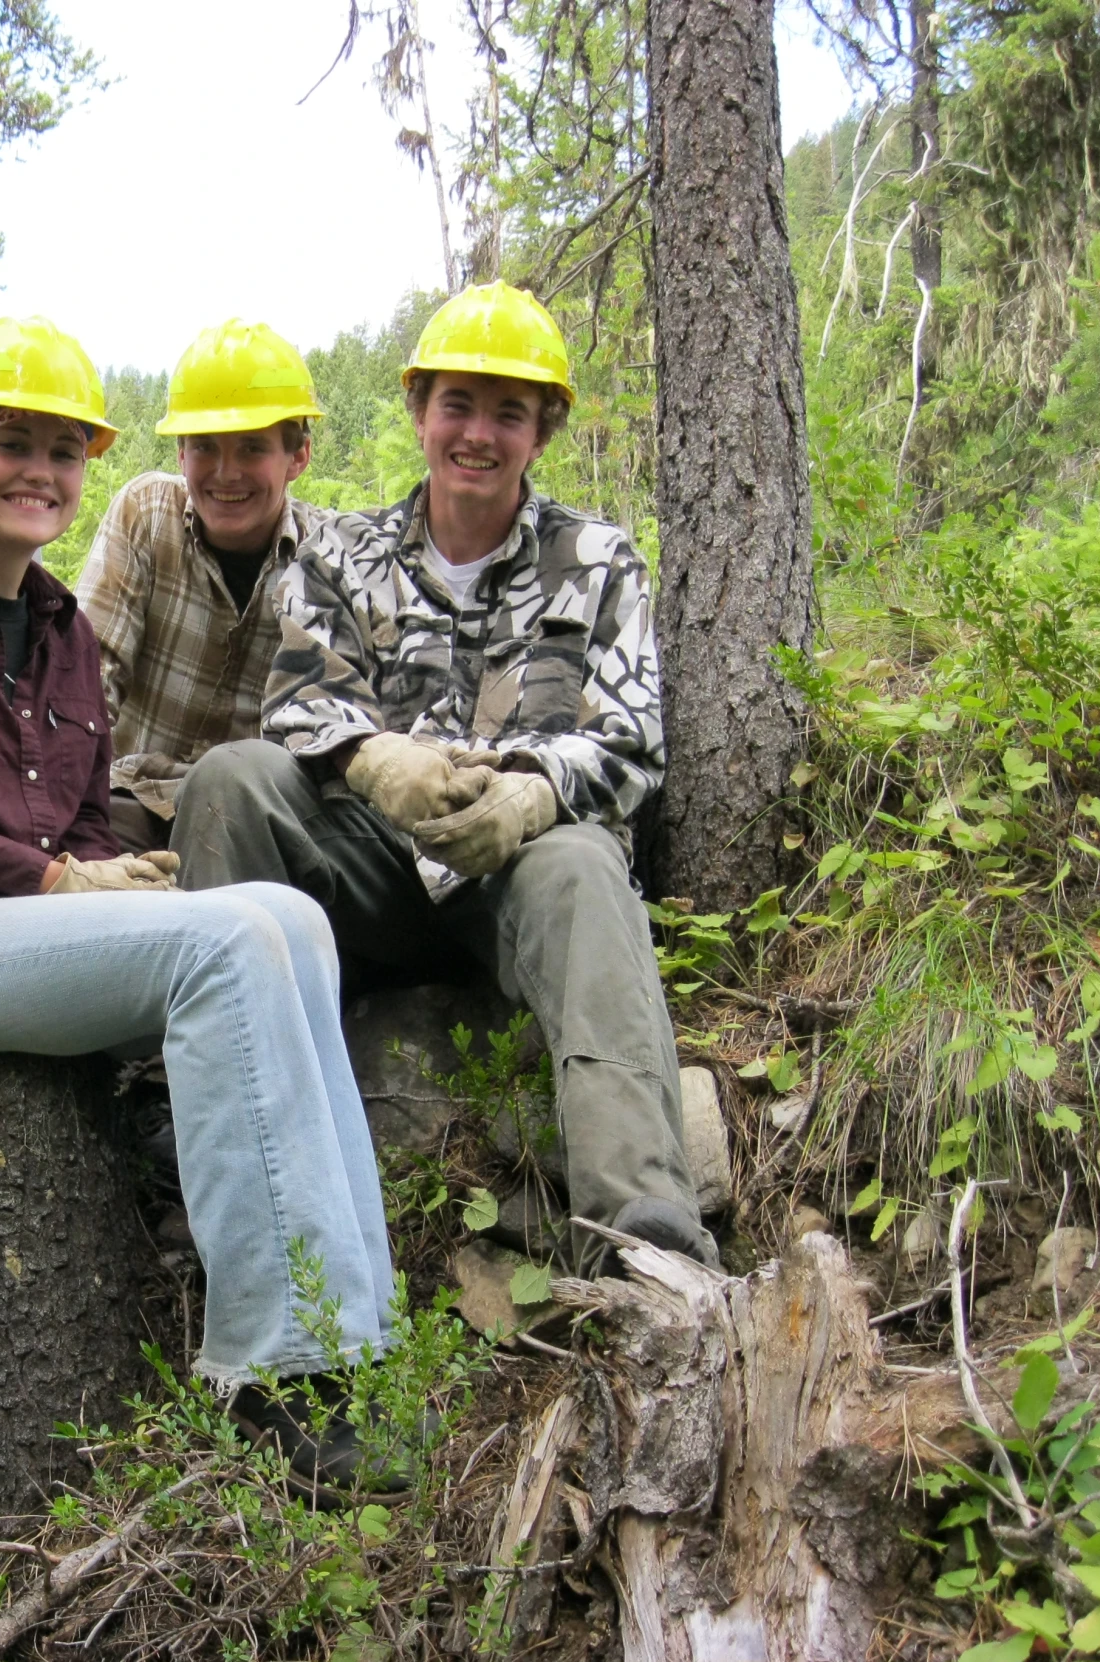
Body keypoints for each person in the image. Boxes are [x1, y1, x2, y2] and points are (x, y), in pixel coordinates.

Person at [0, 317, 404, 1493]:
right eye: (9, 441)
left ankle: (359, 1338)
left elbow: (81, 825)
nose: (37, 470)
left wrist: (102, 873)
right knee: (230, 945)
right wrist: (50, 879)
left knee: (294, 921)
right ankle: (274, 1378)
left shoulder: (69, 632)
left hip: (15, 944)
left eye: (64, 451)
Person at [171, 282, 716, 1270]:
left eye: (507, 412)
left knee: (587, 867)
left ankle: (643, 1235)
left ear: (542, 428)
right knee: (229, 783)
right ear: (418, 409)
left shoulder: (594, 560)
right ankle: (225, 1186)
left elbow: (633, 739)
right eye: (455, 405)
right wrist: (378, 763)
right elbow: (295, 705)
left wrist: (535, 793)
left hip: (520, 877)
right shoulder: (340, 555)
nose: (476, 434)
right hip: (371, 872)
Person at [75, 321, 327, 854]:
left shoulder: (325, 557)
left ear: (298, 457)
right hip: (128, 795)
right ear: (180, 455)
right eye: (205, 448)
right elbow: (89, 677)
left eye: (252, 449)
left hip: (245, 816)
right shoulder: (146, 515)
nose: (225, 472)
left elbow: (324, 724)